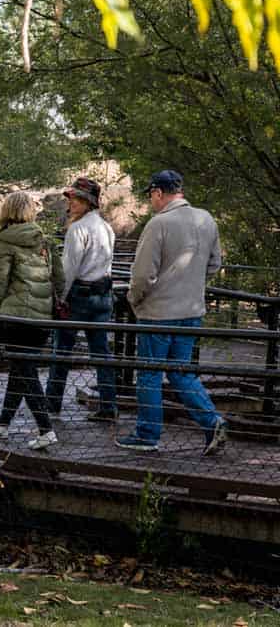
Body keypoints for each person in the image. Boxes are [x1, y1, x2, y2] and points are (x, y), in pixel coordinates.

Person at [117, 170, 227, 455]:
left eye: (151, 196)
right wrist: (191, 284)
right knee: (180, 373)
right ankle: (212, 421)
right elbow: (215, 264)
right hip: (191, 311)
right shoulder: (206, 218)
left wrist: (133, 299)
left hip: (157, 313)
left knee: (150, 375)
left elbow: (142, 274)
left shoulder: (159, 224)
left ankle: (147, 435)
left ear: (157, 193)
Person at [0, 191, 65, 450]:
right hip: (41, 318)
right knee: (21, 370)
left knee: (24, 370)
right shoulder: (44, 241)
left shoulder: (3, 242)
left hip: (16, 316)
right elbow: (59, 279)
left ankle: (45, 429)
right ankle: (3, 424)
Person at [45, 178, 118, 421]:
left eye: (77, 198)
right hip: (103, 295)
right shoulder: (106, 228)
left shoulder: (78, 229)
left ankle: (52, 405)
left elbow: (69, 269)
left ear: (88, 202)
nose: (72, 202)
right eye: (71, 198)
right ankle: (109, 406)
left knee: (62, 351)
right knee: (102, 354)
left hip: (79, 296)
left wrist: (59, 300)